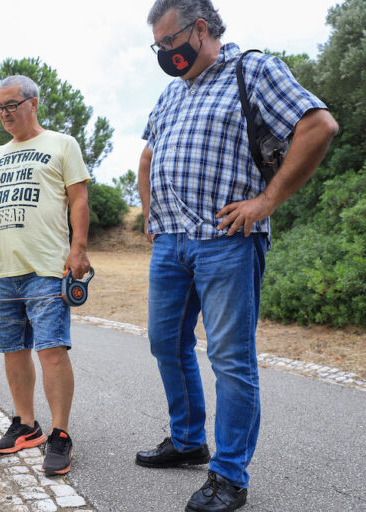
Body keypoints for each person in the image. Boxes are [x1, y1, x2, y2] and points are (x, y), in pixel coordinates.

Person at [136, 1, 338, 510]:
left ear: (199, 29)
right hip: (171, 243)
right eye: (157, 46)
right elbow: (147, 153)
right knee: (166, 343)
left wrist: (266, 202)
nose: (163, 53)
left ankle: (229, 476)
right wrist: (150, 213)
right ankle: (187, 441)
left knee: (230, 359)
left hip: (227, 241)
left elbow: (318, 126)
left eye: (168, 42)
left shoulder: (253, 69)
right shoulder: (171, 92)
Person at [0, 75, 91, 476]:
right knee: (12, 349)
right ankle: (25, 424)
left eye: (11, 106)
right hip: (4, 271)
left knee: (52, 349)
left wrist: (79, 249)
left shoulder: (62, 145)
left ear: (33, 103)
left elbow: (79, 198)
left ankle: (60, 435)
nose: (4, 114)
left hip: (47, 268)